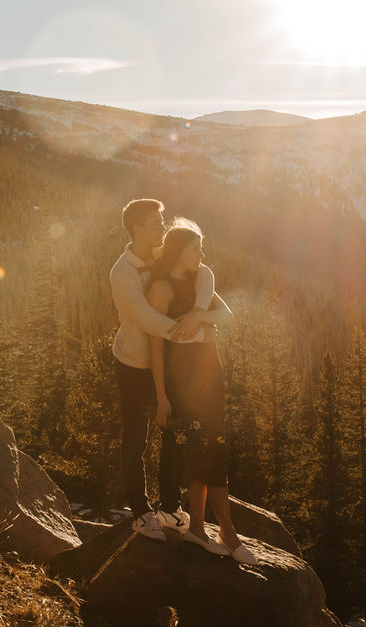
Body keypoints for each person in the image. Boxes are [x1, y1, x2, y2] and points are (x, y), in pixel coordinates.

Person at [110, 199, 231, 541]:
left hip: (167, 365)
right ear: (137, 228)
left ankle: (167, 506)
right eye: (156, 222)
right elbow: (149, 322)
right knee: (136, 437)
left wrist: (199, 315)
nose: (162, 228)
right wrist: (200, 333)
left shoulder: (164, 254)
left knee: (173, 433)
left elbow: (204, 279)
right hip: (135, 364)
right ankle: (140, 512)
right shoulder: (122, 273)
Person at [147, 218, 258, 564]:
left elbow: (228, 317)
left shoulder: (200, 284)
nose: (202, 253)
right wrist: (162, 396)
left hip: (210, 374)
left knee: (211, 450)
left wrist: (199, 316)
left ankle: (198, 528)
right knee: (206, 452)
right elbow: (156, 348)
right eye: (196, 247)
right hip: (184, 381)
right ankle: (227, 531)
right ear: (179, 251)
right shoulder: (162, 289)